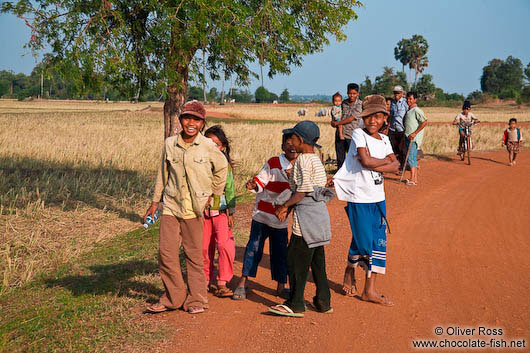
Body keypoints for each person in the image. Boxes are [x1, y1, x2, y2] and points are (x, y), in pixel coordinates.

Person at [144, 101, 228, 314]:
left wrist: (214, 198)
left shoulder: (208, 146)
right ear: (180, 120)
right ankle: (174, 297)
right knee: (166, 253)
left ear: (202, 123)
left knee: (194, 255)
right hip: (172, 206)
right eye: (187, 118)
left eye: (196, 120)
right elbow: (162, 176)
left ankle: (196, 299)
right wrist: (155, 203)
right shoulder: (170, 144)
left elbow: (222, 169)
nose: (191, 123)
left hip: (195, 209)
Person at [333, 94, 399, 306]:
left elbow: (395, 165)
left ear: (384, 119)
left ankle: (369, 290)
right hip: (359, 196)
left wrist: (374, 162)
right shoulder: (359, 135)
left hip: (378, 198)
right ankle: (350, 269)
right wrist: (382, 163)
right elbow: (365, 161)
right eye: (369, 116)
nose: (373, 121)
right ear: (363, 118)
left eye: (378, 117)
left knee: (378, 242)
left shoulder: (386, 139)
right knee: (363, 241)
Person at [268, 121, 334, 317]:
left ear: (301, 140)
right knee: (317, 262)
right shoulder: (315, 159)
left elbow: (303, 191)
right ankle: (324, 301)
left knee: (295, 259)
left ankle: (295, 303)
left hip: (306, 219)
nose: (290, 142)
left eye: (293, 138)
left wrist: (284, 206)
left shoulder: (303, 160)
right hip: (319, 216)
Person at [232, 133, 298, 300]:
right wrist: (254, 184)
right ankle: (243, 282)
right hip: (262, 215)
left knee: (280, 253)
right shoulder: (273, 163)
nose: (292, 146)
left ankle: (281, 286)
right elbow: (261, 180)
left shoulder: (301, 166)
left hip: (280, 220)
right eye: (288, 143)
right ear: (282, 146)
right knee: (253, 249)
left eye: (295, 143)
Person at [202, 125, 236, 298]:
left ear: (222, 147)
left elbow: (229, 187)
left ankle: (222, 281)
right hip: (201, 211)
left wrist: (231, 211)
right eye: (208, 142)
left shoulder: (225, 165)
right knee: (203, 247)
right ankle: (204, 280)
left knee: (224, 245)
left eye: (216, 144)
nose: (212, 146)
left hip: (221, 211)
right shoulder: (198, 163)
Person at [331, 83, 363, 169]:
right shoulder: (343, 103)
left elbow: (351, 118)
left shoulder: (360, 104)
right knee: (340, 158)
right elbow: (336, 114)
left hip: (351, 135)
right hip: (340, 134)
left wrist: (338, 123)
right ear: (347, 93)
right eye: (350, 93)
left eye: (354, 93)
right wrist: (333, 122)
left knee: (352, 158)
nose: (351, 95)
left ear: (358, 94)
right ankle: (340, 176)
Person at [403, 92, 428, 186]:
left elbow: (424, 122)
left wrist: (415, 133)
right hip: (407, 137)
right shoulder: (409, 110)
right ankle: (413, 178)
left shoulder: (417, 110)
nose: (408, 100)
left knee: (411, 158)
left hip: (413, 139)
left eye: (410, 99)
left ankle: (414, 179)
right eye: (407, 99)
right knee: (410, 157)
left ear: (415, 100)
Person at [388, 85, 409, 168]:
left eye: (398, 93)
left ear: (402, 93)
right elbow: (391, 115)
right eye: (395, 93)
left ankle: (402, 166)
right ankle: (393, 165)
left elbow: (408, 115)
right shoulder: (392, 103)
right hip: (393, 128)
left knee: (402, 149)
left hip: (402, 129)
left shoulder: (405, 103)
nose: (396, 94)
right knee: (391, 147)